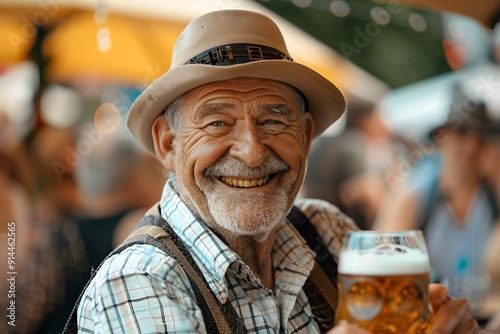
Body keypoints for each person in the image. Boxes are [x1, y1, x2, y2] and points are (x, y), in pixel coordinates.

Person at [76, 9, 478, 333]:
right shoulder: (139, 281)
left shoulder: (326, 229)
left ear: (304, 134)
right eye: (217, 122)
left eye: (273, 120)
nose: (252, 153)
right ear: (168, 144)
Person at [302, 95, 394, 230]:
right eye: (379, 115)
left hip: (315, 224)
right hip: (343, 230)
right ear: (366, 119)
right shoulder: (355, 143)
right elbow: (371, 195)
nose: (385, 122)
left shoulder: (327, 141)